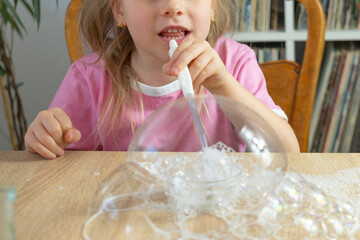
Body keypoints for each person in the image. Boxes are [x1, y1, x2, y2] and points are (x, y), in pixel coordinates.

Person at [24, 0, 300, 159]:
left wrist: (223, 85)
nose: (173, 6)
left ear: (213, 6)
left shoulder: (235, 63)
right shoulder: (89, 78)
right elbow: (59, 165)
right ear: (120, 10)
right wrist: (44, 139)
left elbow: (288, 152)